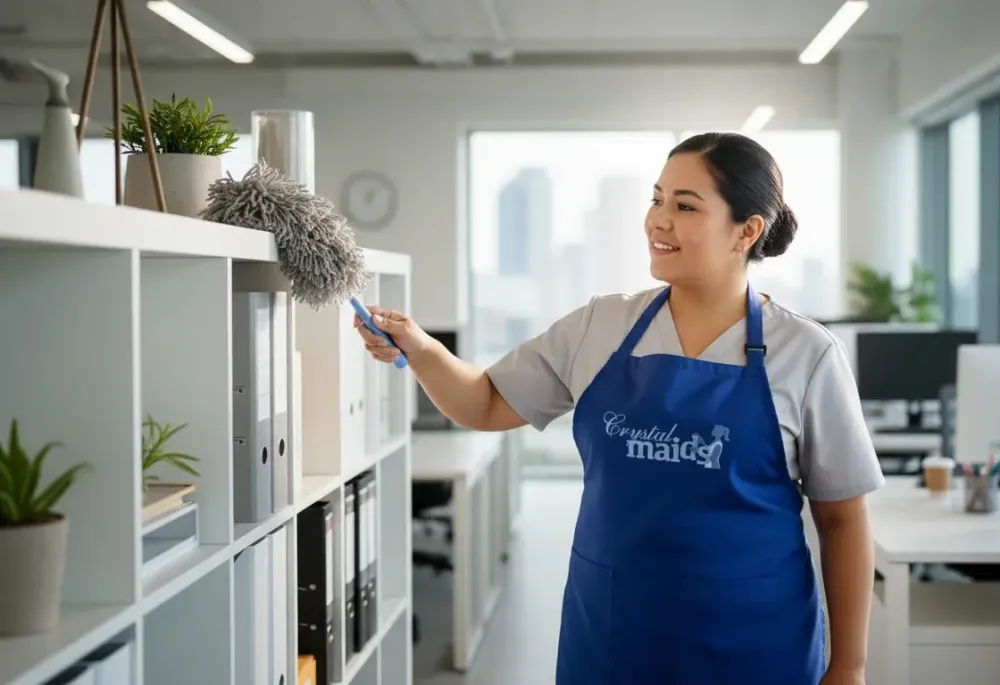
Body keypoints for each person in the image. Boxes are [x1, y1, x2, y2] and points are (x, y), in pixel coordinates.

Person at [356, 132, 884, 685]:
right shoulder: (600, 326)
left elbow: (842, 518)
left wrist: (849, 665)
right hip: (614, 633)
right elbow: (486, 402)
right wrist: (423, 349)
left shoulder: (807, 354)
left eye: (685, 206)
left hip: (755, 640)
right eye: (657, 200)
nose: (659, 220)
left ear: (747, 231)